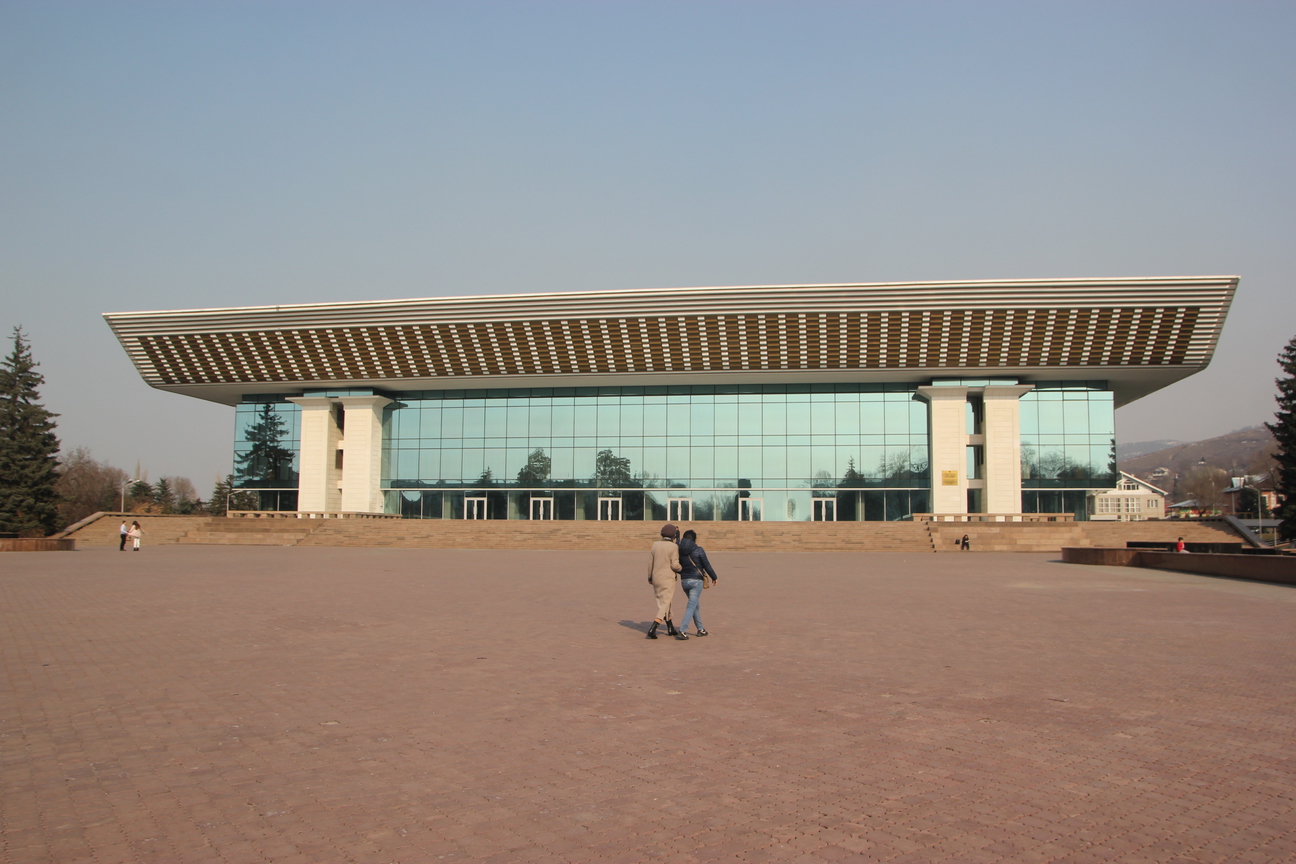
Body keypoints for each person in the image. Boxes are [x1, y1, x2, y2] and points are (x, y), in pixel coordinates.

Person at [677, 529, 718, 637]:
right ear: (694, 539)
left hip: (684, 581)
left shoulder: (679, 550)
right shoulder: (698, 549)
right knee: (691, 606)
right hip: (696, 581)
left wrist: (677, 535)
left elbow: (677, 545)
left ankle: (701, 629)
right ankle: (682, 630)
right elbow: (707, 565)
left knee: (695, 605)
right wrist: (714, 577)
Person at [647, 523, 684, 640]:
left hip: (656, 576)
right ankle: (653, 627)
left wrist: (650, 577)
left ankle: (670, 627)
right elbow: (675, 565)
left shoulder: (655, 545)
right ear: (673, 535)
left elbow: (650, 563)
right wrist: (683, 569)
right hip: (667, 578)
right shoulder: (673, 547)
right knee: (665, 602)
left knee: (665, 601)